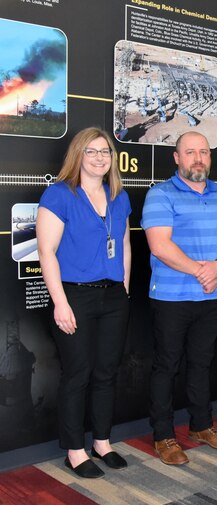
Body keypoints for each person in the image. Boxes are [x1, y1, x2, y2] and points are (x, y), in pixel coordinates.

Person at [142, 131, 217, 465]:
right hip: (171, 297)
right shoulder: (160, 194)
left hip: (210, 296)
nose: (198, 158)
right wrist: (202, 271)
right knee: (166, 366)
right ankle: (163, 436)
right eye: (190, 152)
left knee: (202, 363)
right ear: (177, 158)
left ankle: (201, 426)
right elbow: (160, 245)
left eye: (203, 152)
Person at [37, 127, 132, 478]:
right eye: (91, 152)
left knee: (106, 373)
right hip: (74, 294)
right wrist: (60, 304)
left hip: (113, 295)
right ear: (78, 155)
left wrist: (125, 287)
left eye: (104, 151)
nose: (99, 158)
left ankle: (102, 443)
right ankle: (75, 450)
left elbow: (123, 245)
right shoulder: (59, 195)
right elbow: (46, 253)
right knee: (77, 375)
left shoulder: (119, 196)